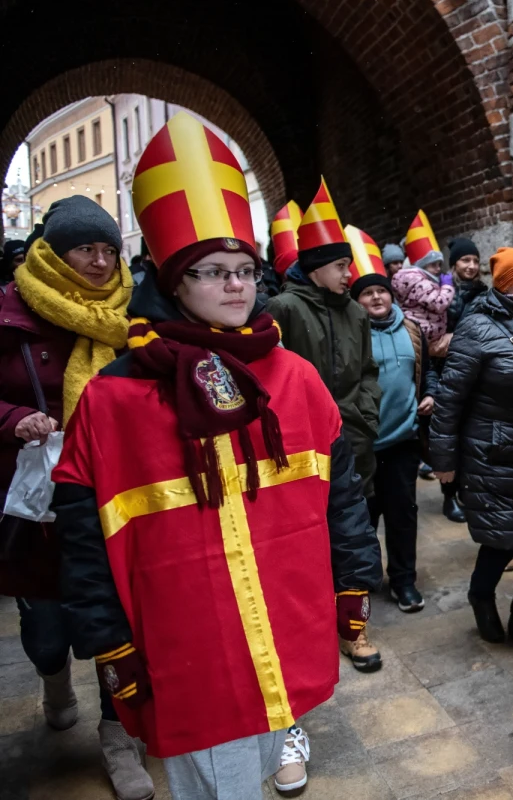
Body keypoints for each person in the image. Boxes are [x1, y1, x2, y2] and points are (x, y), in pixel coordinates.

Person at [50, 113, 383, 800]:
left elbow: (342, 492)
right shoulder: (113, 399)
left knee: (265, 758)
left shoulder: (292, 375)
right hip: (186, 643)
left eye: (245, 270)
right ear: (174, 279)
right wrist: (108, 644)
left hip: (287, 618)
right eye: (212, 271)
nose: (236, 286)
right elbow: (82, 537)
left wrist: (354, 580)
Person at [0, 196, 153, 800]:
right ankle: (53, 678)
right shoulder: (11, 312)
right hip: (40, 502)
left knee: (119, 619)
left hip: (115, 490)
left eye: (109, 249)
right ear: (53, 252)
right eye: (85, 248)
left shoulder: (134, 312)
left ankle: (121, 739)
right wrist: (14, 419)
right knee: (47, 631)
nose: (99, 261)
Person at [266, 178, 383, 673]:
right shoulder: (283, 309)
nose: (349, 273)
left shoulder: (356, 312)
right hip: (304, 448)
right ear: (315, 268)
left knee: (354, 537)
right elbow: (274, 377)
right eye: (340, 265)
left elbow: (368, 372)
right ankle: (311, 624)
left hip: (355, 439)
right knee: (311, 541)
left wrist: (365, 413)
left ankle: (355, 631)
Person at [429, 247, 513, 651]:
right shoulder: (476, 327)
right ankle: (481, 595)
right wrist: (443, 461)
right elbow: (450, 398)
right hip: (493, 451)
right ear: (505, 283)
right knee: (501, 538)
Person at [348, 225, 432, 613]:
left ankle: (403, 582)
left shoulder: (412, 329)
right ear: (357, 300)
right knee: (364, 520)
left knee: (402, 516)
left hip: (402, 442)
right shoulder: (352, 334)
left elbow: (428, 369)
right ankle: (362, 582)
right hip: (363, 445)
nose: (376, 296)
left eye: (381, 289)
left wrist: (429, 392)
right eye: (367, 292)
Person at [394, 212, 464, 523]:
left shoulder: (424, 278)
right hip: (427, 353)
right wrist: (448, 285)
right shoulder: (412, 278)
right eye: (434, 264)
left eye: (440, 265)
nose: (439, 269)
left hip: (439, 352)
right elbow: (438, 304)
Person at [445, 237, 487, 332]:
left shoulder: (482, 293)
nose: (472, 266)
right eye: (466, 260)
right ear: (454, 264)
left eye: (476, 261)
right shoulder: (441, 291)